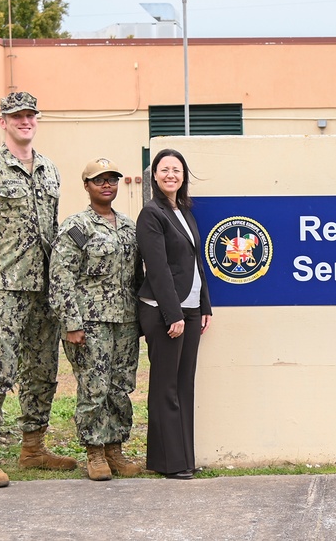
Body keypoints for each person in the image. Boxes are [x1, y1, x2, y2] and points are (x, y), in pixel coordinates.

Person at [0, 91, 77, 488]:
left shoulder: (50, 170)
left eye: (31, 115)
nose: (25, 121)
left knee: (42, 371)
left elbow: (53, 230)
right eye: (17, 116)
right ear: (3, 121)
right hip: (2, 287)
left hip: (44, 290)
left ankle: (33, 447)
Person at [49, 158, 144, 481]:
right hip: (90, 322)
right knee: (94, 387)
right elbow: (61, 277)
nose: (107, 185)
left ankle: (115, 449)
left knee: (120, 386)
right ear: (87, 186)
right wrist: (71, 323)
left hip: (126, 321)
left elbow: (138, 276)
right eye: (99, 180)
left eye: (112, 179)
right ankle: (95, 452)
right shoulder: (77, 227)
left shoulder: (130, 226)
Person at [137, 149, 213, 480]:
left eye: (177, 169)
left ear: (184, 176)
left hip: (192, 308)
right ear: (154, 176)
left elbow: (197, 261)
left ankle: (182, 458)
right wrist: (173, 314)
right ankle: (172, 464)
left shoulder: (184, 211)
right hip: (166, 311)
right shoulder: (151, 214)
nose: (171, 174)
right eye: (164, 169)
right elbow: (158, 268)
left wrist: (205, 306)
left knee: (184, 386)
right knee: (166, 387)